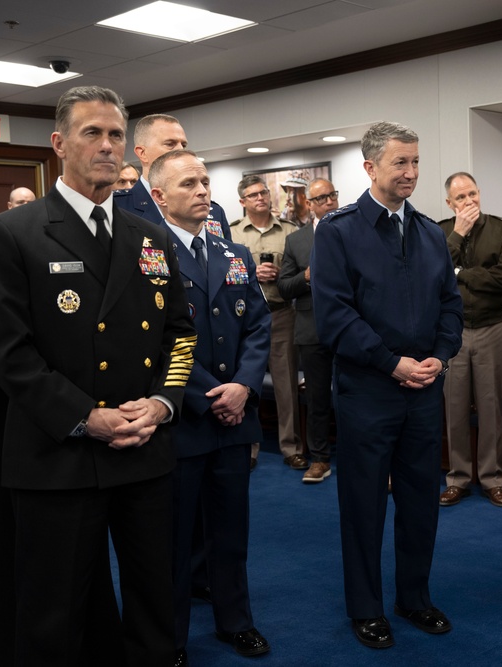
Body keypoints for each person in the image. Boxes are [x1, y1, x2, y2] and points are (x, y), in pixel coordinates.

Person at [0, 85, 197, 666]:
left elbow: (180, 333)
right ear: (59, 143)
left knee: (154, 604)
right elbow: (7, 350)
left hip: (143, 443)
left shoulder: (149, 236)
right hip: (59, 452)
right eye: (91, 132)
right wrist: (83, 417)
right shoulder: (11, 232)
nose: (107, 145)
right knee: (54, 614)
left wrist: (163, 403)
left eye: (116, 134)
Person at [312, 121, 463, 649]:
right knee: (364, 505)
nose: (411, 172)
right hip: (368, 391)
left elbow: (450, 305)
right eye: (400, 162)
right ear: (370, 166)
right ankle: (366, 607)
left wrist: (441, 355)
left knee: (421, 501)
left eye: (416, 161)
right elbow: (334, 316)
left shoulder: (429, 232)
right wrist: (390, 362)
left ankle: (414, 598)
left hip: (424, 390)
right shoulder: (337, 231)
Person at [149, 150, 272, 665]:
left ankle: (235, 621)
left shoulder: (234, 252)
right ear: (159, 196)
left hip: (236, 416)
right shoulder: (146, 254)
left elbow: (258, 325)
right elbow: (156, 339)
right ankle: (171, 638)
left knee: (230, 530)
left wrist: (243, 386)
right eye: (188, 184)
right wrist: (209, 394)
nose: (202, 191)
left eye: (204, 181)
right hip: (184, 418)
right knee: (176, 539)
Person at [438, 172, 502, 508]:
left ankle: (492, 479)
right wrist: (458, 235)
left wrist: (460, 274)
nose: (468, 201)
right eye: (460, 197)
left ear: (479, 193)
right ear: (450, 203)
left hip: (492, 327)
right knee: (454, 408)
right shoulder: (441, 232)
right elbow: (433, 273)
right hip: (452, 333)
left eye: (472, 194)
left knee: (490, 408)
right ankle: (457, 478)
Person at [230, 175, 303, 471]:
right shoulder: (232, 232)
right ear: (242, 201)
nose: (260, 198)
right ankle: (248, 447)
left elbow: (300, 272)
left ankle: (291, 447)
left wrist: (280, 275)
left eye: (263, 192)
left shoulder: (289, 230)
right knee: (246, 384)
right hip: (245, 320)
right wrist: (253, 273)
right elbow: (224, 273)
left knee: (286, 386)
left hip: (281, 314)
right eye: (253, 195)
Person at [277, 178, 339, 483]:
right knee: (317, 400)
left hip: (352, 329)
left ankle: (362, 456)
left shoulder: (354, 230)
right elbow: (284, 286)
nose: (329, 202)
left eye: (332, 195)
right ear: (311, 205)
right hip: (311, 329)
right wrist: (306, 276)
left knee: (356, 397)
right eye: (322, 198)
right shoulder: (296, 241)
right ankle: (320, 458)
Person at [115, 114, 231, 241]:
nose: (181, 150)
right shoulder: (116, 207)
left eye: (184, 145)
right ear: (142, 153)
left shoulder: (213, 211)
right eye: (170, 144)